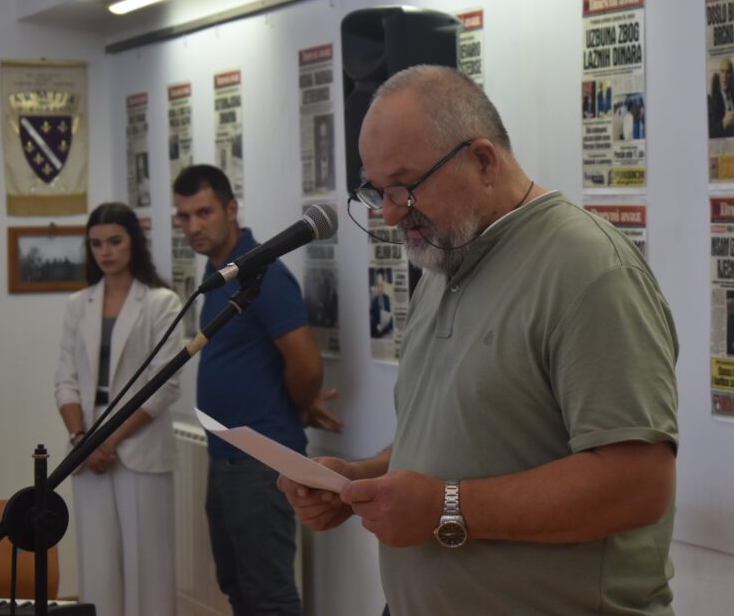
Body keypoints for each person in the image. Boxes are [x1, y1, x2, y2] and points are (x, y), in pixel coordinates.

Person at [279, 66, 679, 615]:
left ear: (484, 161)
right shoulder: (443, 260)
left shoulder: (588, 269)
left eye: (405, 186)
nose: (390, 213)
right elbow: (464, 435)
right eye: (378, 191)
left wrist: (444, 507)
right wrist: (362, 481)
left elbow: (638, 483)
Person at [173, 165, 341, 616]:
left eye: (204, 212)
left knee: (269, 596)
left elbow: (306, 363)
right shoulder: (220, 275)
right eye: (184, 216)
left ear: (231, 209)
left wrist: (299, 407)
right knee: (236, 585)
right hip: (224, 454)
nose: (194, 226)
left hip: (261, 458)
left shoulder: (262, 273)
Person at [54, 202, 182, 616]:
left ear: (133, 243)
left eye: (114, 241)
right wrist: (82, 439)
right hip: (86, 446)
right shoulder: (78, 303)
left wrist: (108, 441)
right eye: (96, 244)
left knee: (149, 564)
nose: (105, 252)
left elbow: (165, 385)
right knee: (97, 564)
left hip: (139, 442)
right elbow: (65, 379)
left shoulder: (161, 301)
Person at [708, 58, 734, 137]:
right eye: (722, 71)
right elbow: (711, 132)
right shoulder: (712, 100)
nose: (724, 77)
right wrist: (724, 122)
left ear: (732, 75)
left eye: (728, 72)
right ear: (719, 75)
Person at [369, 271, 394, 338]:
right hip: (378, 323)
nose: (380, 288)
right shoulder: (374, 301)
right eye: (379, 286)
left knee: (392, 320)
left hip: (385, 322)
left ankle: (384, 330)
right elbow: (373, 315)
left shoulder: (387, 298)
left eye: (381, 286)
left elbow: (389, 311)